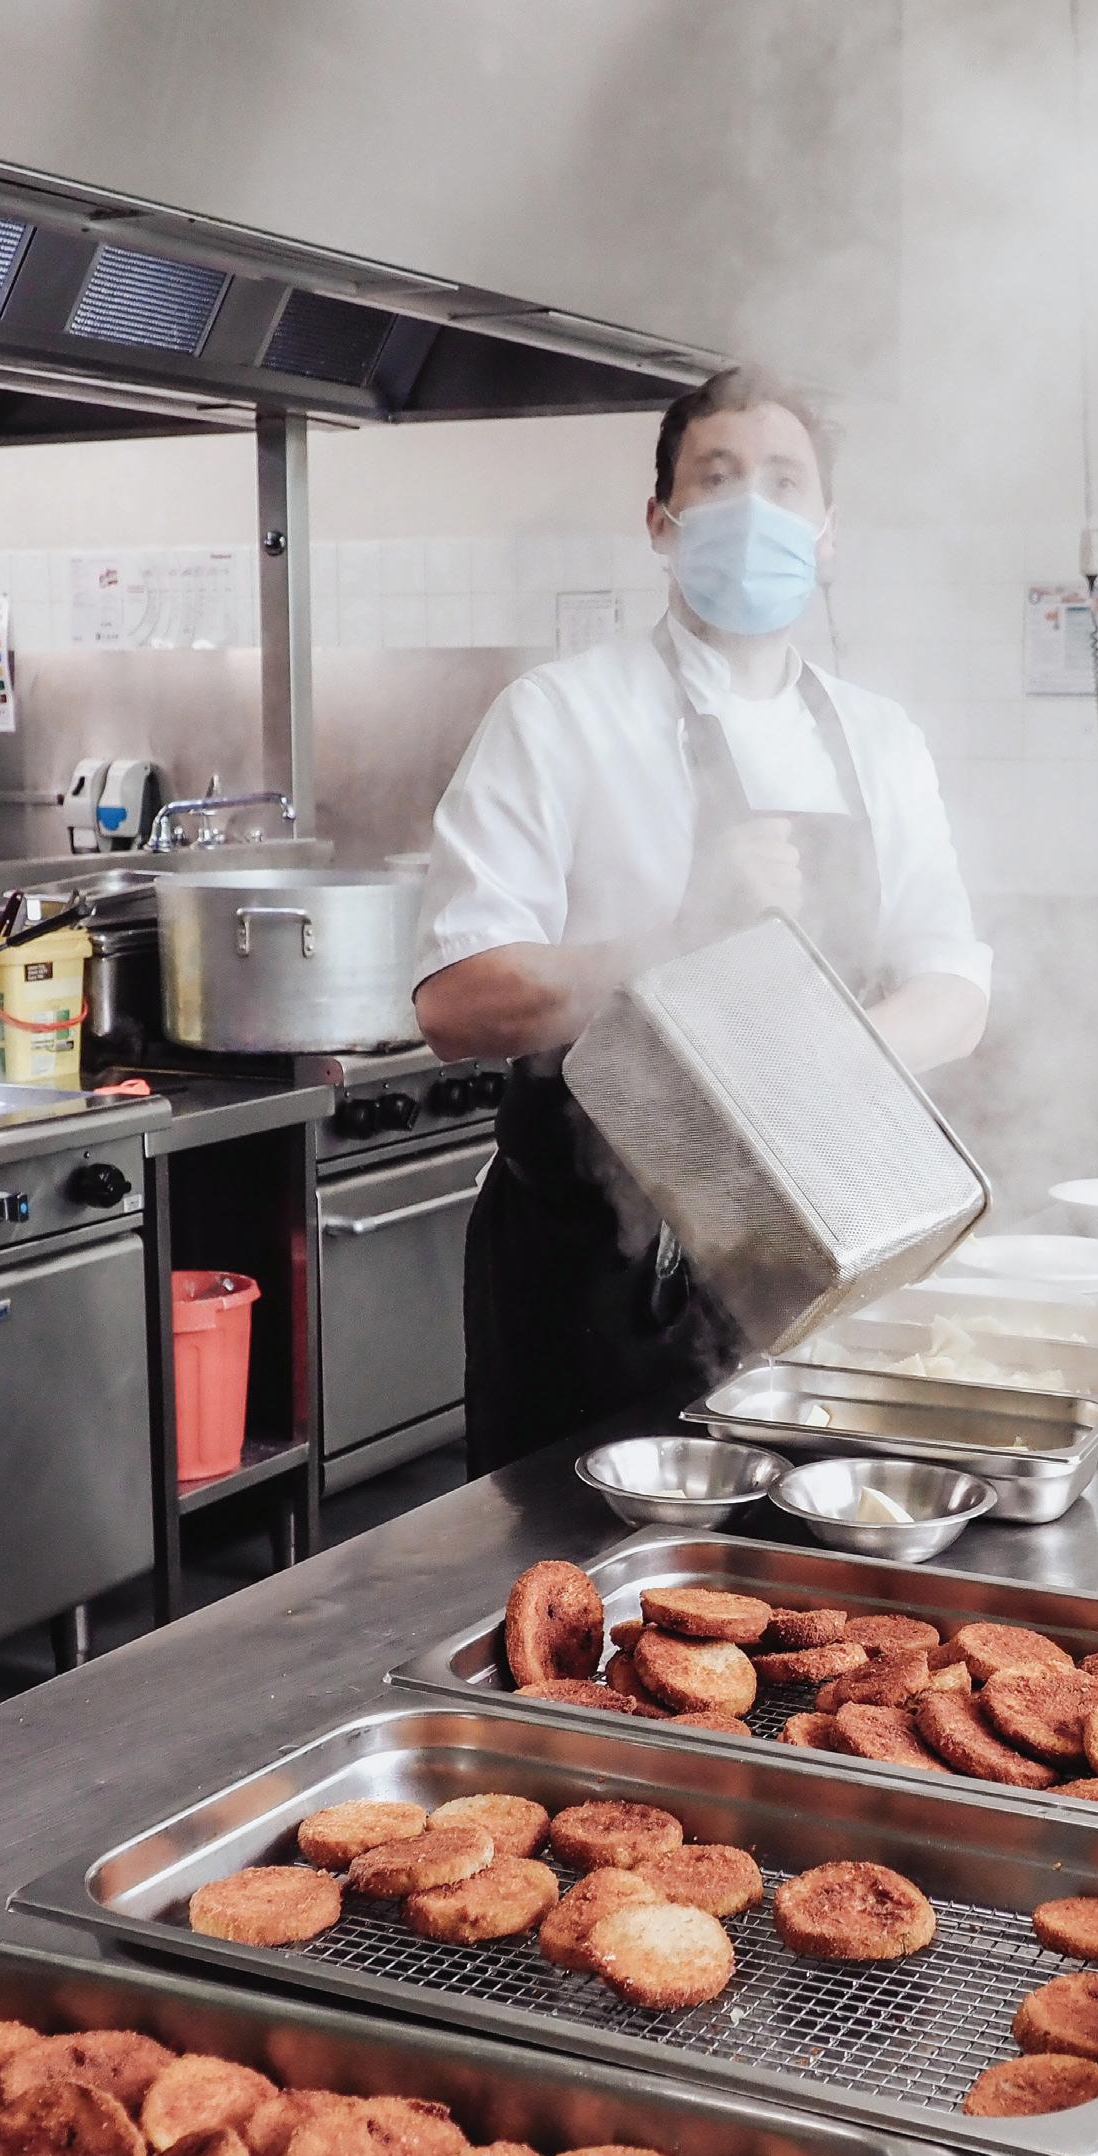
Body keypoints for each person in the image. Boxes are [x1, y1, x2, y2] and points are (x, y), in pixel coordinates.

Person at [412, 365, 990, 1475]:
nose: (753, 509)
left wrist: (826, 1059)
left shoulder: (880, 740)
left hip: (826, 1244)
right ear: (660, 522)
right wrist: (673, 945)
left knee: (808, 1560)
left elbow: (956, 987)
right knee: (566, 1567)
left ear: (826, 531)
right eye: (717, 480)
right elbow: (456, 1002)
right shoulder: (558, 717)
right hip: (589, 1268)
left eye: (784, 482)